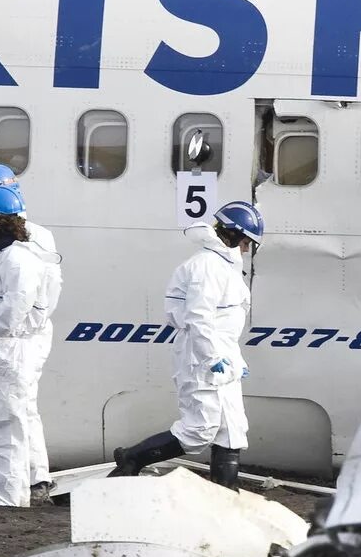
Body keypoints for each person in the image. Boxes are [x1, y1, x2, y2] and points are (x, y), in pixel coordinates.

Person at [112, 200, 263, 488]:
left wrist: (236, 360)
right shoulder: (207, 266)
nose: (246, 248)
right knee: (200, 429)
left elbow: (225, 322)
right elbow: (198, 318)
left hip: (222, 355)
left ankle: (225, 498)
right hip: (201, 357)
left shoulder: (225, 265)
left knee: (232, 429)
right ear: (232, 235)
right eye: (246, 241)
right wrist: (211, 359)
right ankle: (132, 458)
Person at [0, 163, 63, 498]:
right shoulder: (5, 240)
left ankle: (23, 483)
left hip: (16, 339)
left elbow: (39, 296)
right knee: (19, 409)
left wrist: (13, 330)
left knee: (14, 412)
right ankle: (30, 478)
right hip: (6, 336)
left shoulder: (25, 244)